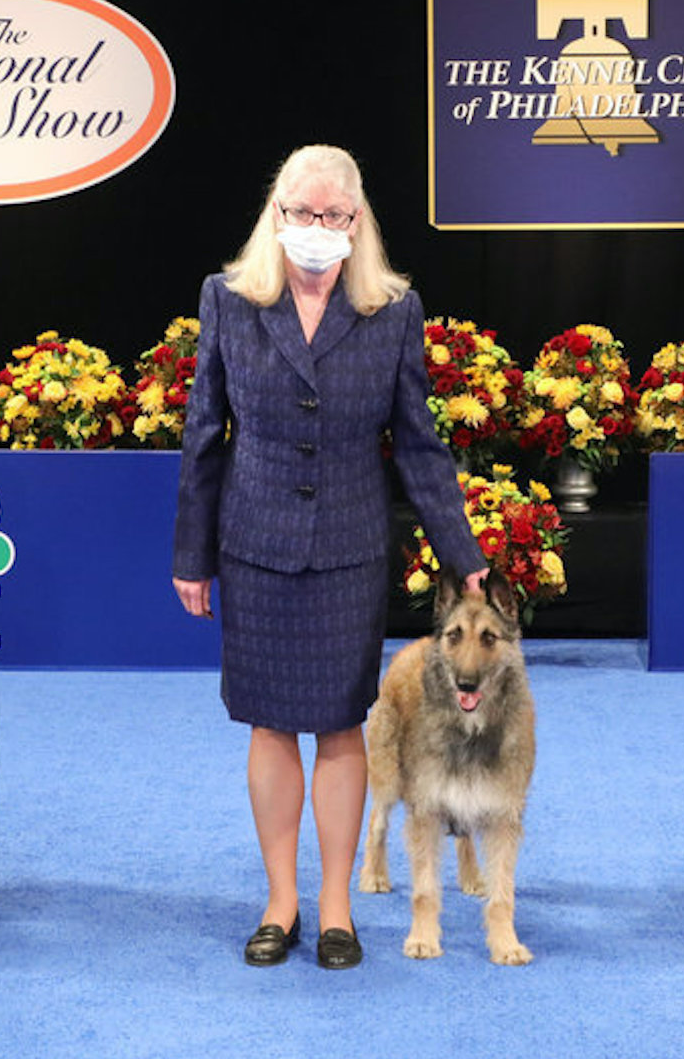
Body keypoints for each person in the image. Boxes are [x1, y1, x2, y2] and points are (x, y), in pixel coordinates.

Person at [172, 144, 488, 970]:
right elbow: (205, 434)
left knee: (343, 727)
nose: (317, 228)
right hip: (256, 548)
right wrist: (192, 555)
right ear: (276, 215)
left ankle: (338, 906)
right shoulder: (229, 300)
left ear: (358, 223)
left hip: (349, 550)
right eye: (303, 213)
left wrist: (463, 552)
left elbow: (419, 444)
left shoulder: (393, 311)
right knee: (271, 725)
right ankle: (281, 901)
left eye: (334, 216)